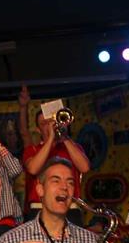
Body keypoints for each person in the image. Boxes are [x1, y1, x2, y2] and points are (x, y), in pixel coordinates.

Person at [18, 85, 90, 224]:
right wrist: (51, 138)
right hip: (38, 208)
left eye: (52, 121)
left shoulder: (72, 147)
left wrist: (64, 137)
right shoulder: (33, 150)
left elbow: (85, 167)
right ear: (38, 130)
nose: (50, 126)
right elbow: (33, 168)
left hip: (70, 208)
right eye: (44, 123)